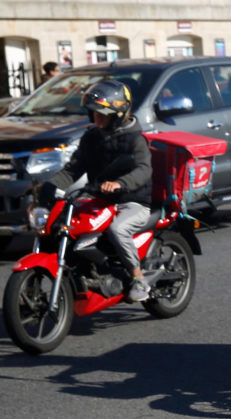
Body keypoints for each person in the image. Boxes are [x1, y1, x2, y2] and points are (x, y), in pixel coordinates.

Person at [42, 80, 153, 301]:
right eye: (94, 113)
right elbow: (74, 168)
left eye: (103, 113)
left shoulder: (135, 139)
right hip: (101, 199)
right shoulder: (91, 138)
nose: (97, 118)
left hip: (133, 200)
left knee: (118, 229)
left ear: (118, 114)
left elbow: (144, 170)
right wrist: (51, 185)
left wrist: (121, 183)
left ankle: (138, 278)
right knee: (66, 225)